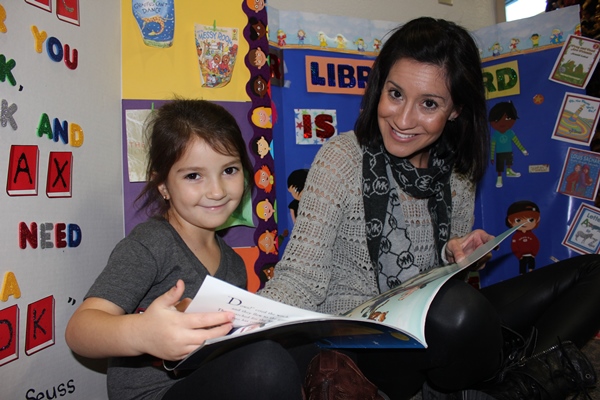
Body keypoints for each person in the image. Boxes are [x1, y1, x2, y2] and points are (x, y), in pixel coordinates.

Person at [260, 17, 600, 399]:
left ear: (455, 110)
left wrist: (454, 255)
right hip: (362, 336)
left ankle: (518, 388)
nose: (403, 119)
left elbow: (437, 278)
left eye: (429, 104)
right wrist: (244, 324)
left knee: (593, 272)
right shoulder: (342, 156)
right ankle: (511, 382)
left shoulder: (457, 173)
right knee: (459, 312)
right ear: (379, 87)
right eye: (395, 94)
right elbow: (300, 279)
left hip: (431, 322)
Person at [65, 99, 302, 400]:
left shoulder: (233, 264)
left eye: (229, 170)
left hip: (205, 382)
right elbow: (79, 330)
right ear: (163, 185)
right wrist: (143, 334)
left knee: (304, 350)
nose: (216, 190)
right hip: (155, 394)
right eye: (193, 176)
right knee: (265, 365)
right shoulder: (150, 244)